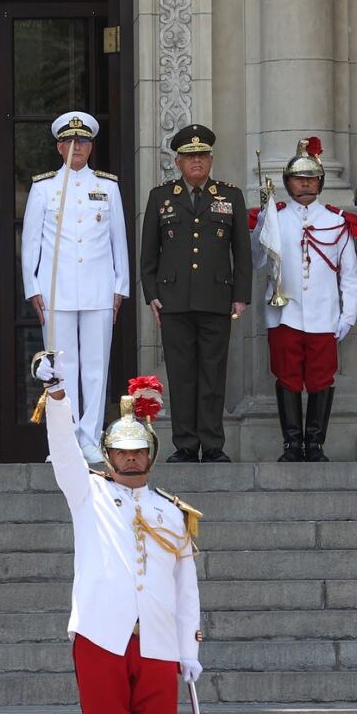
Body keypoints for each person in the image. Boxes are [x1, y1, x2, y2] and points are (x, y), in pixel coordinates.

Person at [35, 357, 202, 714]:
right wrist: (57, 395)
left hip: (159, 639)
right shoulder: (86, 492)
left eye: (138, 451)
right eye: (122, 453)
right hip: (101, 634)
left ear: (151, 454)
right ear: (108, 456)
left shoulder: (172, 511)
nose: (131, 460)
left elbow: (186, 589)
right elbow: (64, 450)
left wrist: (190, 649)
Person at [139, 124, 251, 463]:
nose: (197, 162)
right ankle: (185, 444)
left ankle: (213, 444)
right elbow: (149, 252)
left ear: (211, 159)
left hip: (217, 298)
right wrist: (151, 294)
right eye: (190, 156)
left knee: (213, 374)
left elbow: (241, 252)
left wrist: (241, 294)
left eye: (202, 155)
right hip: (173, 300)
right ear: (178, 162)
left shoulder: (230, 196)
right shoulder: (161, 196)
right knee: (181, 374)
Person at [21, 112, 129, 464]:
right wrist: (32, 286)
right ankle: (64, 443)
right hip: (57, 289)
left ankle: (91, 438)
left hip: (98, 287)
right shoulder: (43, 187)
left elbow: (119, 242)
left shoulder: (108, 187)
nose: (75, 147)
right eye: (69, 141)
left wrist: (120, 286)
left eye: (82, 141)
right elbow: (31, 242)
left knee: (96, 367)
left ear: (91, 146)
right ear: (58, 146)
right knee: (61, 371)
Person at [250, 137, 357, 462]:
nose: (306, 184)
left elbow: (349, 276)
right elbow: (257, 262)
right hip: (285, 314)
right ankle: (291, 444)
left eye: (312, 178)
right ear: (288, 183)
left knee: (320, 379)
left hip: (325, 315)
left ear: (320, 182)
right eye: (300, 178)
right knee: (287, 378)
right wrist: (259, 228)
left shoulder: (336, 221)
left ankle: (315, 445)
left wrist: (347, 317)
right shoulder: (276, 217)